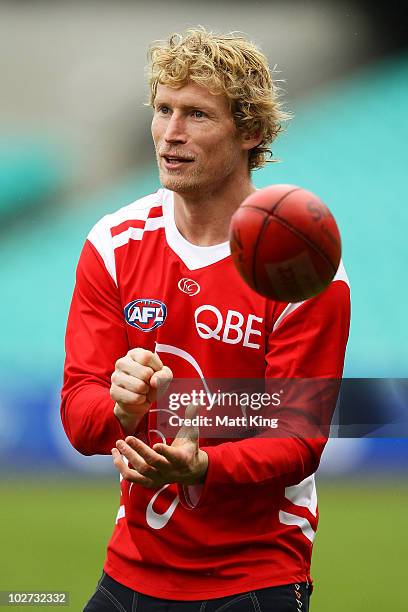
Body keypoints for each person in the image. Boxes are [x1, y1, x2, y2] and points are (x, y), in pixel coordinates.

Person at [61, 27, 350, 612]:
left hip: (255, 573)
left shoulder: (301, 264)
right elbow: (79, 413)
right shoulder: (113, 243)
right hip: (133, 569)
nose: (171, 133)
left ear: (250, 132)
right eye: (163, 109)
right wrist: (120, 409)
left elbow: (299, 439)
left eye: (196, 114)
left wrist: (204, 466)